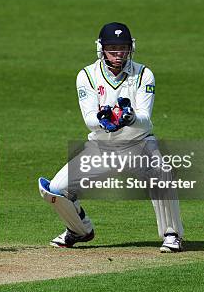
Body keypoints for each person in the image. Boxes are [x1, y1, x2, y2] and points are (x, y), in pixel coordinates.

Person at [37, 22, 184, 252]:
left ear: (131, 48)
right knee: (53, 190)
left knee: (162, 173)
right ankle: (79, 230)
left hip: (139, 145)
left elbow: (146, 118)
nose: (118, 54)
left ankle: (172, 234)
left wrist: (131, 117)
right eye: (112, 49)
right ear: (101, 48)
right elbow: (89, 119)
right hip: (101, 150)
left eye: (123, 48)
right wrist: (106, 120)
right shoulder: (87, 75)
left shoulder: (144, 74)